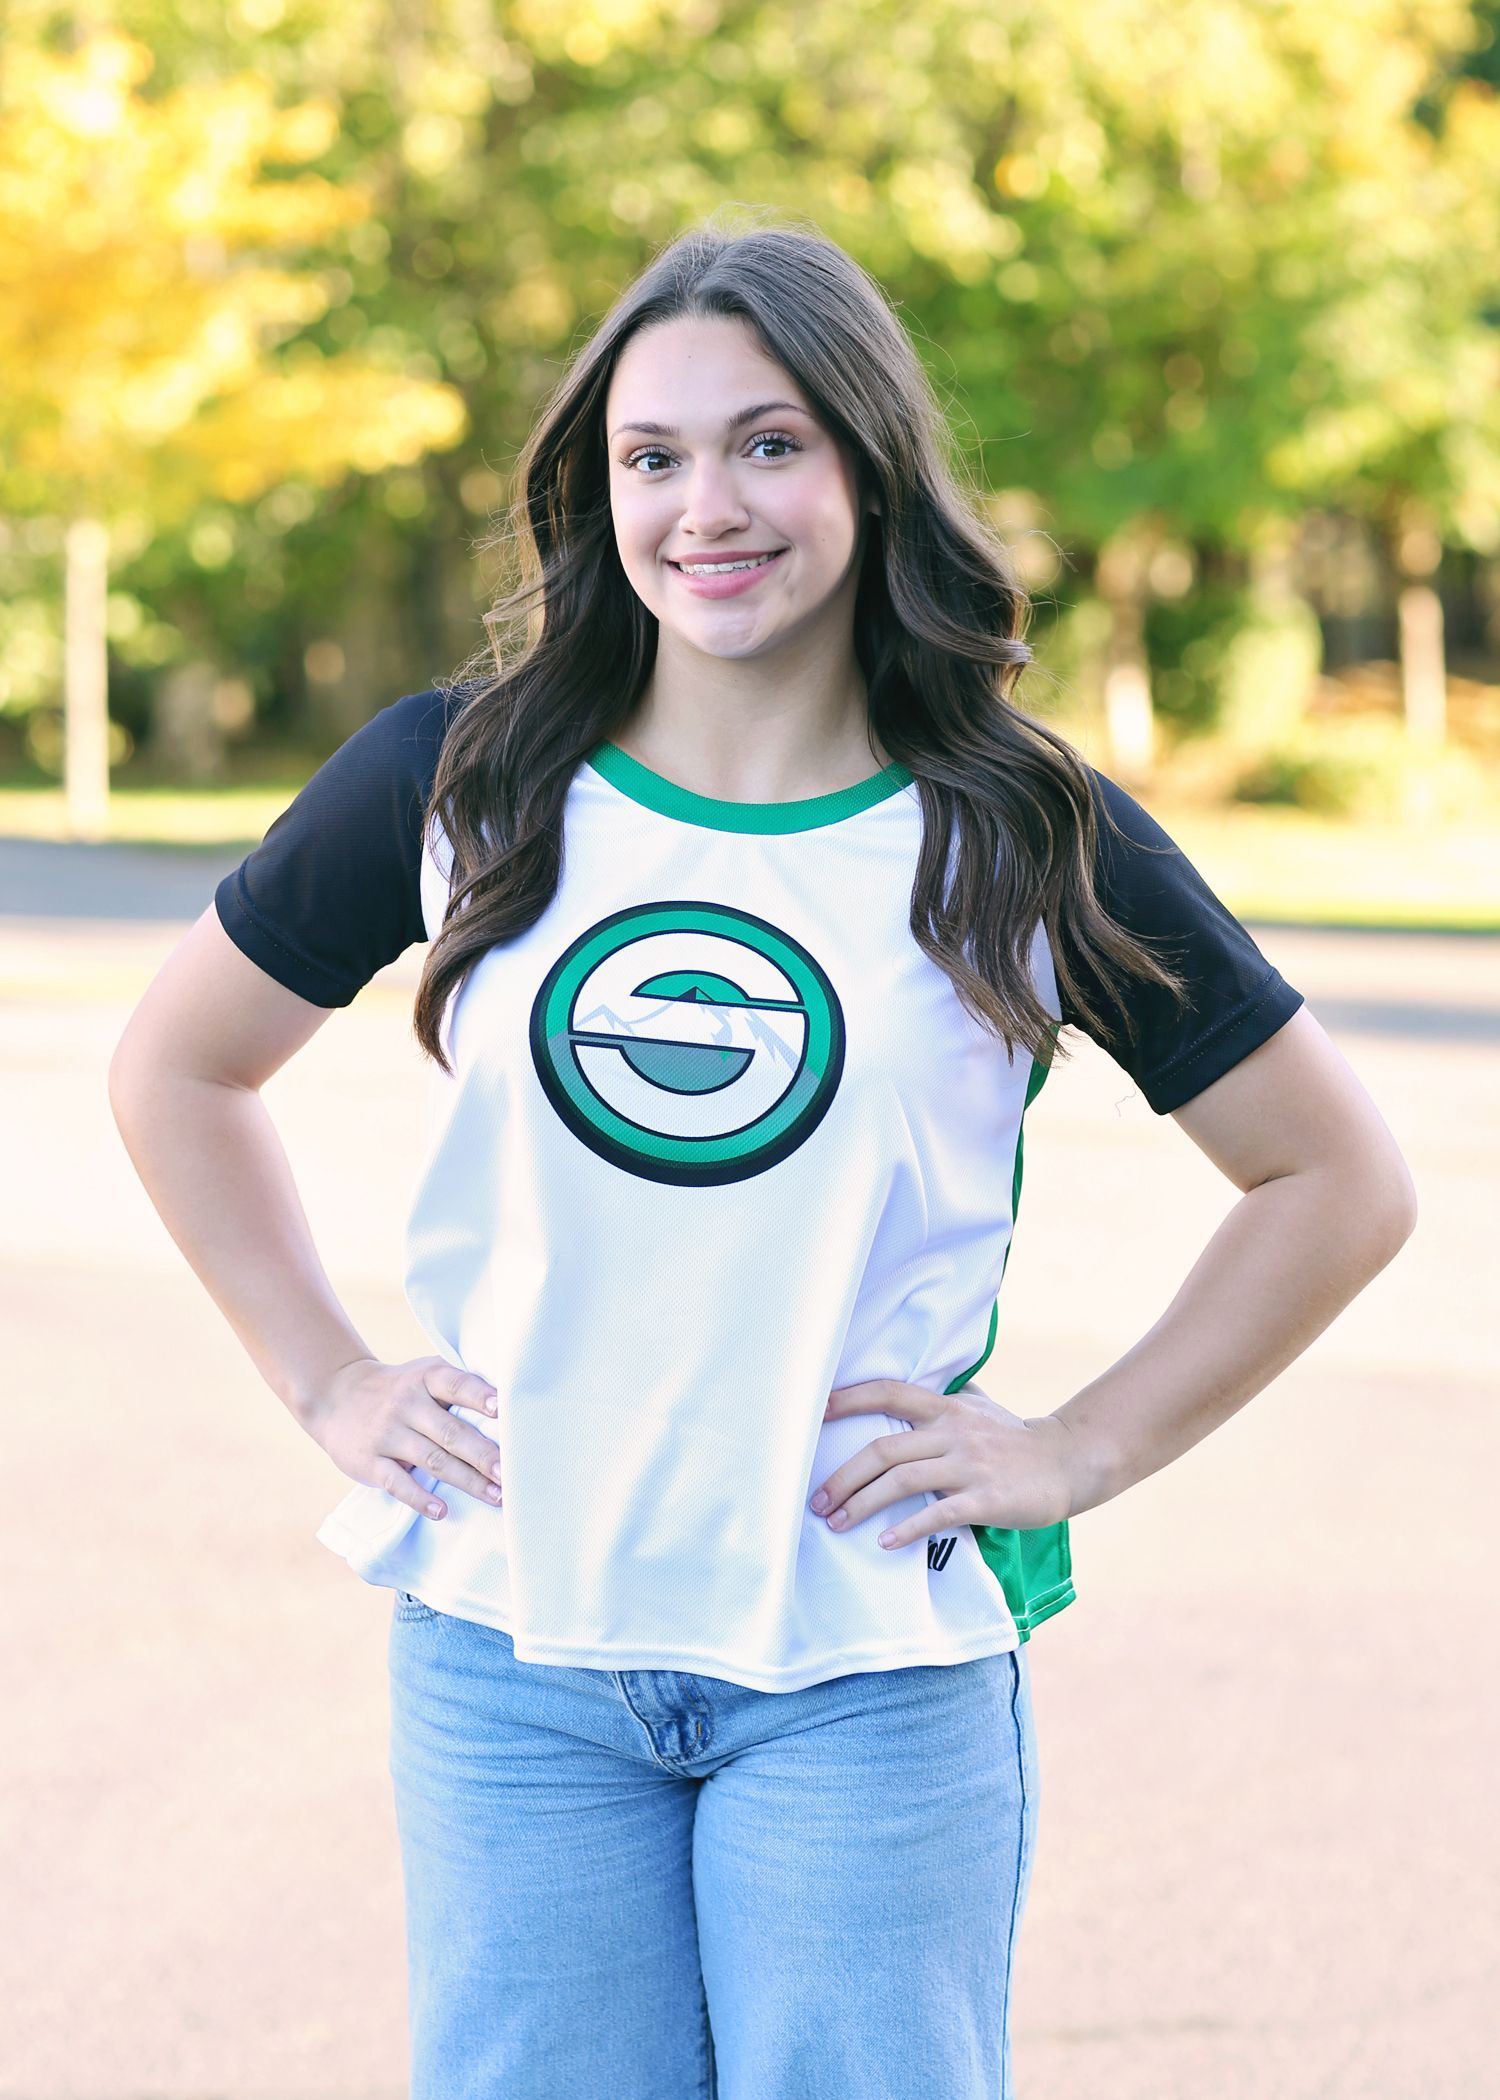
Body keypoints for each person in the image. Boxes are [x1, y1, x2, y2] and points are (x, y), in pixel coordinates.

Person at [108, 210, 1417, 2100]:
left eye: (770, 443)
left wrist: (1077, 1451)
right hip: (514, 1650)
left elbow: (1336, 1183)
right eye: (653, 457)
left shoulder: (1020, 831)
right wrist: (324, 1375)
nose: (705, 506)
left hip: (865, 1664)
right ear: (597, 495)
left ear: (873, 474)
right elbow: (179, 1071)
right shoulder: (458, 783)